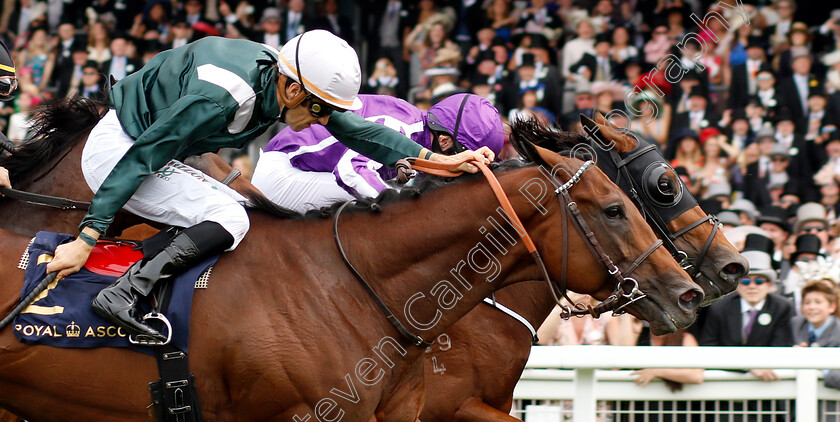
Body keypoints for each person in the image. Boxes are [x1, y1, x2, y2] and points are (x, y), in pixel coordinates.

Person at [44, 30, 493, 342]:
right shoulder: (222, 96)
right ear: (295, 91)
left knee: (242, 212)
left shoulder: (286, 78)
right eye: (320, 110)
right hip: (121, 150)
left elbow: (358, 131)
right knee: (230, 216)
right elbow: (142, 156)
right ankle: (124, 293)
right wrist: (86, 237)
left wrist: (440, 161)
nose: (322, 122)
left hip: (152, 145)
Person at [252, 93, 504, 212]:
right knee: (402, 204)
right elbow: (351, 170)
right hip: (282, 174)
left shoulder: (414, 122)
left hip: (303, 171)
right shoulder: (403, 126)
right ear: (446, 142)